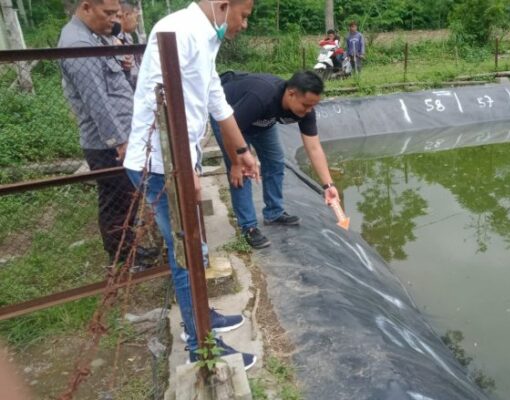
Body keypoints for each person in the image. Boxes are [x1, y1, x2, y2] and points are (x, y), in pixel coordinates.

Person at [123, 0, 259, 368]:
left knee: (192, 248)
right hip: (161, 167)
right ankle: (201, 344)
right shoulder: (180, 31)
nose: (244, 25)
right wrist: (186, 171)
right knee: (188, 252)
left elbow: (214, 95)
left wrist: (240, 150)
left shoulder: (204, 36)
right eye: (243, 16)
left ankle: (200, 316)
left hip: (175, 163)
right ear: (223, 5)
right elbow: (166, 105)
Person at [58, 0, 157, 268]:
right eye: (108, 14)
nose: (114, 20)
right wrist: (120, 142)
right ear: (87, 7)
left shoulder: (93, 38)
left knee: (127, 198)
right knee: (116, 202)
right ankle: (122, 259)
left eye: (116, 14)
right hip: (108, 144)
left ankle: (130, 250)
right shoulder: (78, 46)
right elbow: (97, 102)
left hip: (120, 137)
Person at [211, 71, 340, 249]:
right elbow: (228, 129)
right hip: (230, 119)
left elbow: (314, 148)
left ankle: (274, 212)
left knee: (275, 160)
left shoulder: (306, 110)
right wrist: (235, 162)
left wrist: (328, 185)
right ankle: (248, 227)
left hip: (262, 121)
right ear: (291, 94)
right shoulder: (261, 96)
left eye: (312, 106)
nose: (308, 111)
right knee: (242, 171)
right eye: (305, 105)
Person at [114, 0, 141, 88]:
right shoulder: (113, 41)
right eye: (136, 18)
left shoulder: (129, 36)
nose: (136, 23)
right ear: (126, 15)